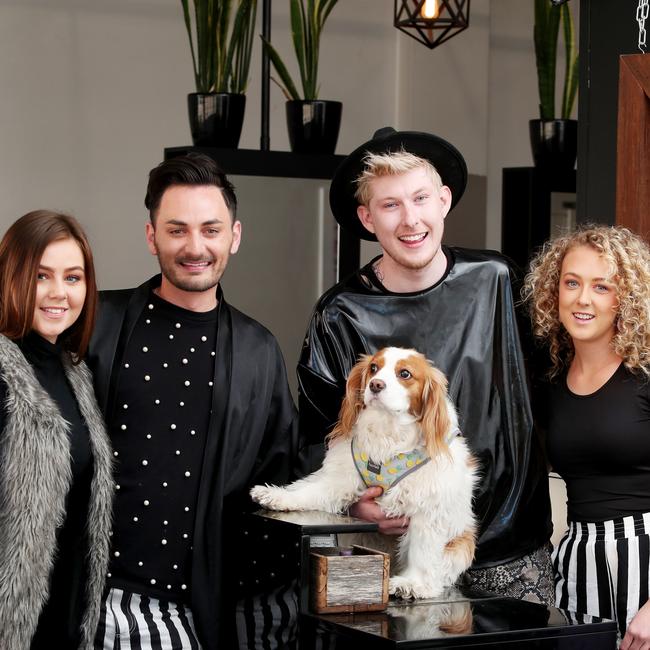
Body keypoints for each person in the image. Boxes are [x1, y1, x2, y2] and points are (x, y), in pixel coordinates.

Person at [298, 127, 554, 603]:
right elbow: (315, 436)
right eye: (390, 204)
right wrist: (357, 505)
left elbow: (557, 377)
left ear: (443, 200)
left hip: (511, 548)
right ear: (366, 217)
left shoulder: (496, 281)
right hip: (391, 550)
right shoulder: (341, 313)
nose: (410, 219)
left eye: (420, 198)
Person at [87, 153, 297, 650]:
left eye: (211, 229)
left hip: (193, 608)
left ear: (235, 236)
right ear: (151, 236)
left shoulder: (257, 349)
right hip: (93, 597)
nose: (195, 247)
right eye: (177, 230)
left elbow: (281, 476)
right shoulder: (95, 323)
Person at [523, 225, 650, 646]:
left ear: (625, 298)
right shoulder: (552, 380)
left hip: (643, 563)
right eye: (571, 283)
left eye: (602, 286)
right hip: (577, 564)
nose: (582, 299)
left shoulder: (646, 377)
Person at [0, 211, 113, 649]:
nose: (57, 293)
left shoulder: (74, 373)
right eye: (41, 275)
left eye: (73, 277)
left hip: (64, 627)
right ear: (11, 276)